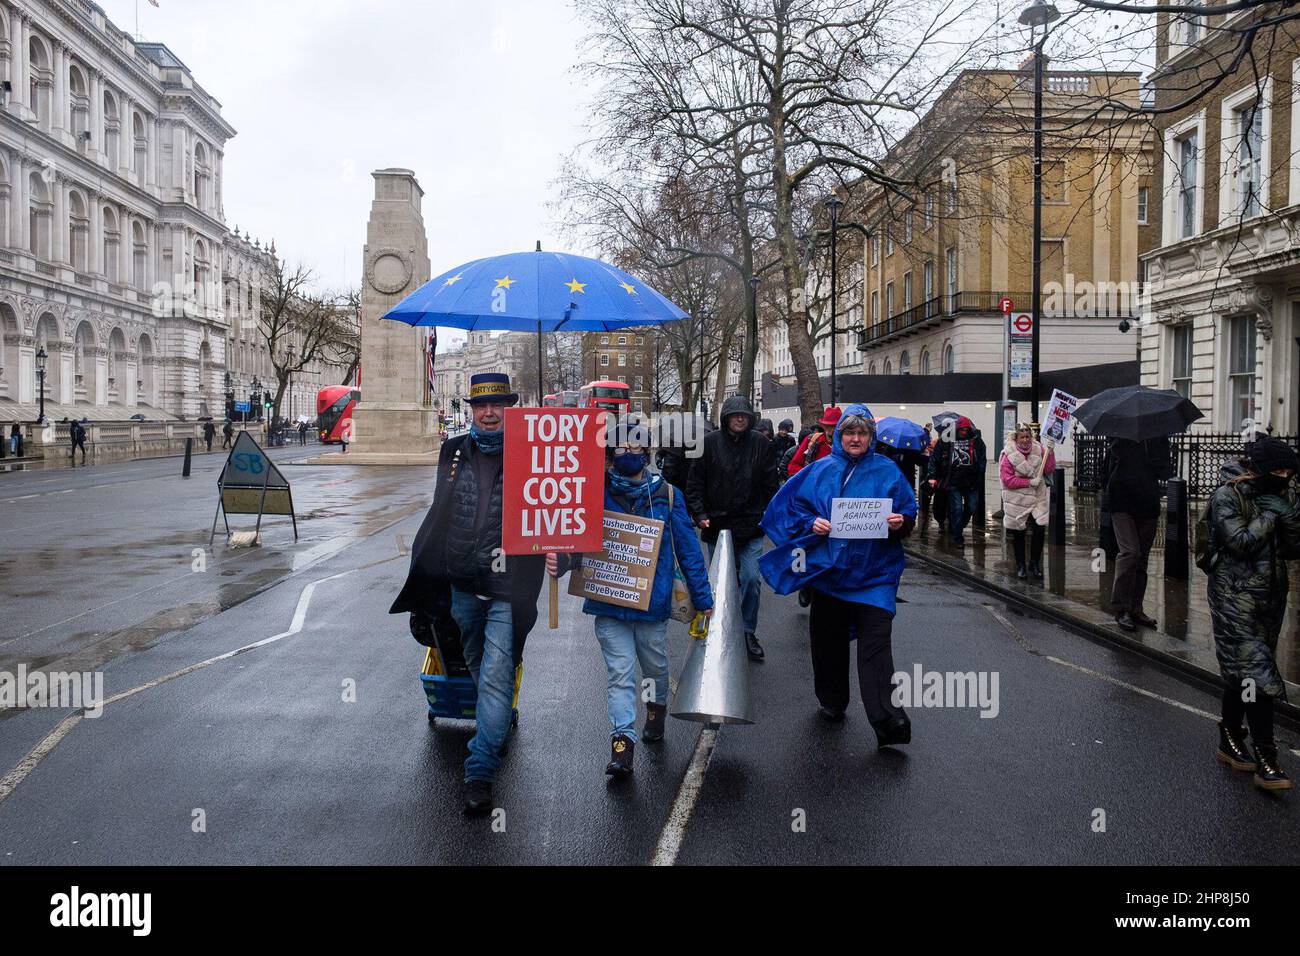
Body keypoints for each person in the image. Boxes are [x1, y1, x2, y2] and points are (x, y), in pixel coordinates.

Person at [389, 373, 548, 816]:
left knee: (496, 676)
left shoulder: (534, 453)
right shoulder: (452, 451)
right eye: (482, 406)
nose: (490, 412)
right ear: (473, 410)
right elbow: (441, 512)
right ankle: (496, 718)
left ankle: (479, 771)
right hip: (463, 582)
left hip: (508, 586)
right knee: (478, 664)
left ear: (509, 408)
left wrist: (563, 554)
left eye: (498, 404)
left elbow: (557, 508)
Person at [548, 423, 713, 778]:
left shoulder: (669, 496)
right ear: (610, 455)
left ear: (646, 452)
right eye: (619, 449)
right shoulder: (592, 493)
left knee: (653, 666)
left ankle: (656, 709)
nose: (626, 454)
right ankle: (621, 743)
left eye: (633, 447)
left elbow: (689, 550)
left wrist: (703, 597)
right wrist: (560, 561)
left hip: (651, 606)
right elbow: (574, 539)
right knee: (620, 674)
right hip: (607, 603)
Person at [759, 404, 918, 746]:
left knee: (876, 650)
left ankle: (889, 722)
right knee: (827, 643)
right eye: (850, 433)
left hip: (875, 577)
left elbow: (908, 512)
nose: (855, 439)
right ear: (839, 436)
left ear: (870, 437)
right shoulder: (820, 470)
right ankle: (832, 700)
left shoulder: (888, 471)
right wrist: (810, 524)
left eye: (862, 433)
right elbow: (790, 506)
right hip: (830, 576)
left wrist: (900, 523)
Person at [1205, 437, 1300, 791]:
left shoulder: (1284, 493)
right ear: (1257, 469)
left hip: (1270, 597)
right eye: (1278, 470)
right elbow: (1240, 542)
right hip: (1233, 595)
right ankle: (1267, 758)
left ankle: (1229, 736)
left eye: (1289, 471)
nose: (1285, 476)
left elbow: (1295, 546)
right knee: (1258, 673)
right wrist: (1272, 514)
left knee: (1241, 670)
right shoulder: (1227, 495)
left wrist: (1288, 515)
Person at [686, 395, 778, 661]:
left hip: (751, 525)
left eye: (744, 415)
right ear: (726, 417)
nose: (739, 418)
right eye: (735, 415)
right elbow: (695, 484)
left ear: (750, 418)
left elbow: (771, 485)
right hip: (718, 525)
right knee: (719, 584)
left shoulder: (761, 444)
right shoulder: (709, 444)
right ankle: (718, 629)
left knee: (750, 579)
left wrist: (766, 516)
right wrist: (700, 514)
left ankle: (747, 630)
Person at [1103, 435, 1172, 632]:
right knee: (1130, 553)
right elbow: (1107, 471)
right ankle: (1121, 608)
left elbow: (1166, 471)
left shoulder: (1159, 438)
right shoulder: (1118, 437)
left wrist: (1156, 462)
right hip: (1121, 503)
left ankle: (1136, 608)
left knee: (1141, 558)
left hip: (1147, 502)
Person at [999, 423, 1056, 580]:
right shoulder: (1008, 454)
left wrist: (1050, 452)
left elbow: (1049, 469)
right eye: (1022, 437)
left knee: (1039, 530)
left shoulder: (1039, 449)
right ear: (1016, 438)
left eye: (1028, 437)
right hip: (1017, 498)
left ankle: (1034, 564)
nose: (1025, 440)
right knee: (1019, 532)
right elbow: (1007, 479)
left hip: (1037, 496)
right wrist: (1028, 482)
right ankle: (1021, 565)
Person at [927, 416, 985, 545]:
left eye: (965, 429)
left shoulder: (976, 441)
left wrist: (979, 475)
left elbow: (982, 459)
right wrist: (932, 476)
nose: (963, 432)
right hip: (953, 480)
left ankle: (958, 527)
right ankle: (958, 536)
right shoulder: (946, 440)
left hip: (971, 481)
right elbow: (935, 459)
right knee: (956, 508)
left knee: (971, 507)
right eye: (961, 429)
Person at [787, 407, 842, 476]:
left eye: (836, 426)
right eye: (830, 426)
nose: (834, 429)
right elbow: (793, 466)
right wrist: (811, 475)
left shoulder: (846, 444)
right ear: (823, 426)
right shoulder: (812, 440)